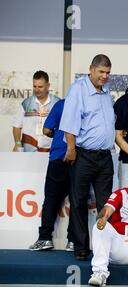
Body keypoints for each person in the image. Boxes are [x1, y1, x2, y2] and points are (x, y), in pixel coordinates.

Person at [60, 54, 115, 261]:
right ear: (91, 69)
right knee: (78, 201)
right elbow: (69, 121)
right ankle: (81, 247)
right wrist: (71, 149)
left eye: (108, 73)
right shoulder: (78, 89)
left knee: (105, 203)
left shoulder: (107, 89)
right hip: (82, 155)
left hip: (104, 157)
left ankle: (103, 248)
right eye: (101, 72)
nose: (104, 76)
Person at [28, 99, 74, 251]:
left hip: (58, 156)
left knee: (51, 199)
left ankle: (45, 238)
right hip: (79, 158)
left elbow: (47, 130)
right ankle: (73, 241)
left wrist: (58, 133)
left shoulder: (61, 104)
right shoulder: (87, 104)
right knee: (77, 202)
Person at [12, 70, 60, 152]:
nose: (37, 90)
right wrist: (17, 143)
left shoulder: (57, 103)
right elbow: (16, 126)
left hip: (50, 150)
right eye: (35, 86)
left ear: (48, 86)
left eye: (40, 87)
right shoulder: (26, 103)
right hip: (28, 150)